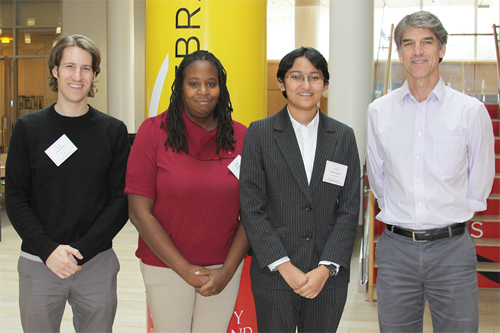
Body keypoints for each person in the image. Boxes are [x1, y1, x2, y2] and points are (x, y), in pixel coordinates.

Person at [366, 11, 495, 333]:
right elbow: (378, 180)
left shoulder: (470, 111)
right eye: (408, 43)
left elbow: (480, 177)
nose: (418, 51)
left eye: (427, 42)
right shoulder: (378, 112)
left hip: (452, 248)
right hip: (396, 250)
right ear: (399, 53)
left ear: (442, 48)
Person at [5, 34, 130, 332]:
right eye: (70, 66)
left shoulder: (113, 131)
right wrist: (49, 250)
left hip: (96, 262)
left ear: (95, 75)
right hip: (39, 261)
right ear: (55, 70)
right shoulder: (28, 129)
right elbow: (16, 199)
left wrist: (81, 250)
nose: (77, 76)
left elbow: (121, 201)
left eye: (86, 68)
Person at [125, 50, 249, 333]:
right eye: (193, 83)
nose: (203, 91)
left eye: (211, 83)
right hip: (165, 266)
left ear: (221, 88)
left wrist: (227, 271)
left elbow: (253, 212)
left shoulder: (242, 137)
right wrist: (184, 269)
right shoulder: (153, 132)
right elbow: (139, 212)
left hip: (223, 268)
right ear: (180, 87)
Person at [240, 47, 361, 332]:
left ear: (325, 85)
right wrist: (283, 265)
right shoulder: (259, 133)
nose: (306, 85)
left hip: (327, 278)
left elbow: (349, 207)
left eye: (315, 77)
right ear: (281, 82)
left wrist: (325, 268)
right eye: (296, 77)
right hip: (275, 274)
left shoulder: (343, 136)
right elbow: (251, 206)